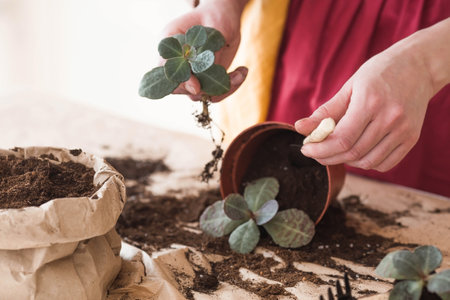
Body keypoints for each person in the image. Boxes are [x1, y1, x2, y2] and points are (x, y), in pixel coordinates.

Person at [162, 0, 450, 197]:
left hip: (435, 50)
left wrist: (424, 65)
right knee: (272, 159)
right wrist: (223, 5)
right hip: (303, 34)